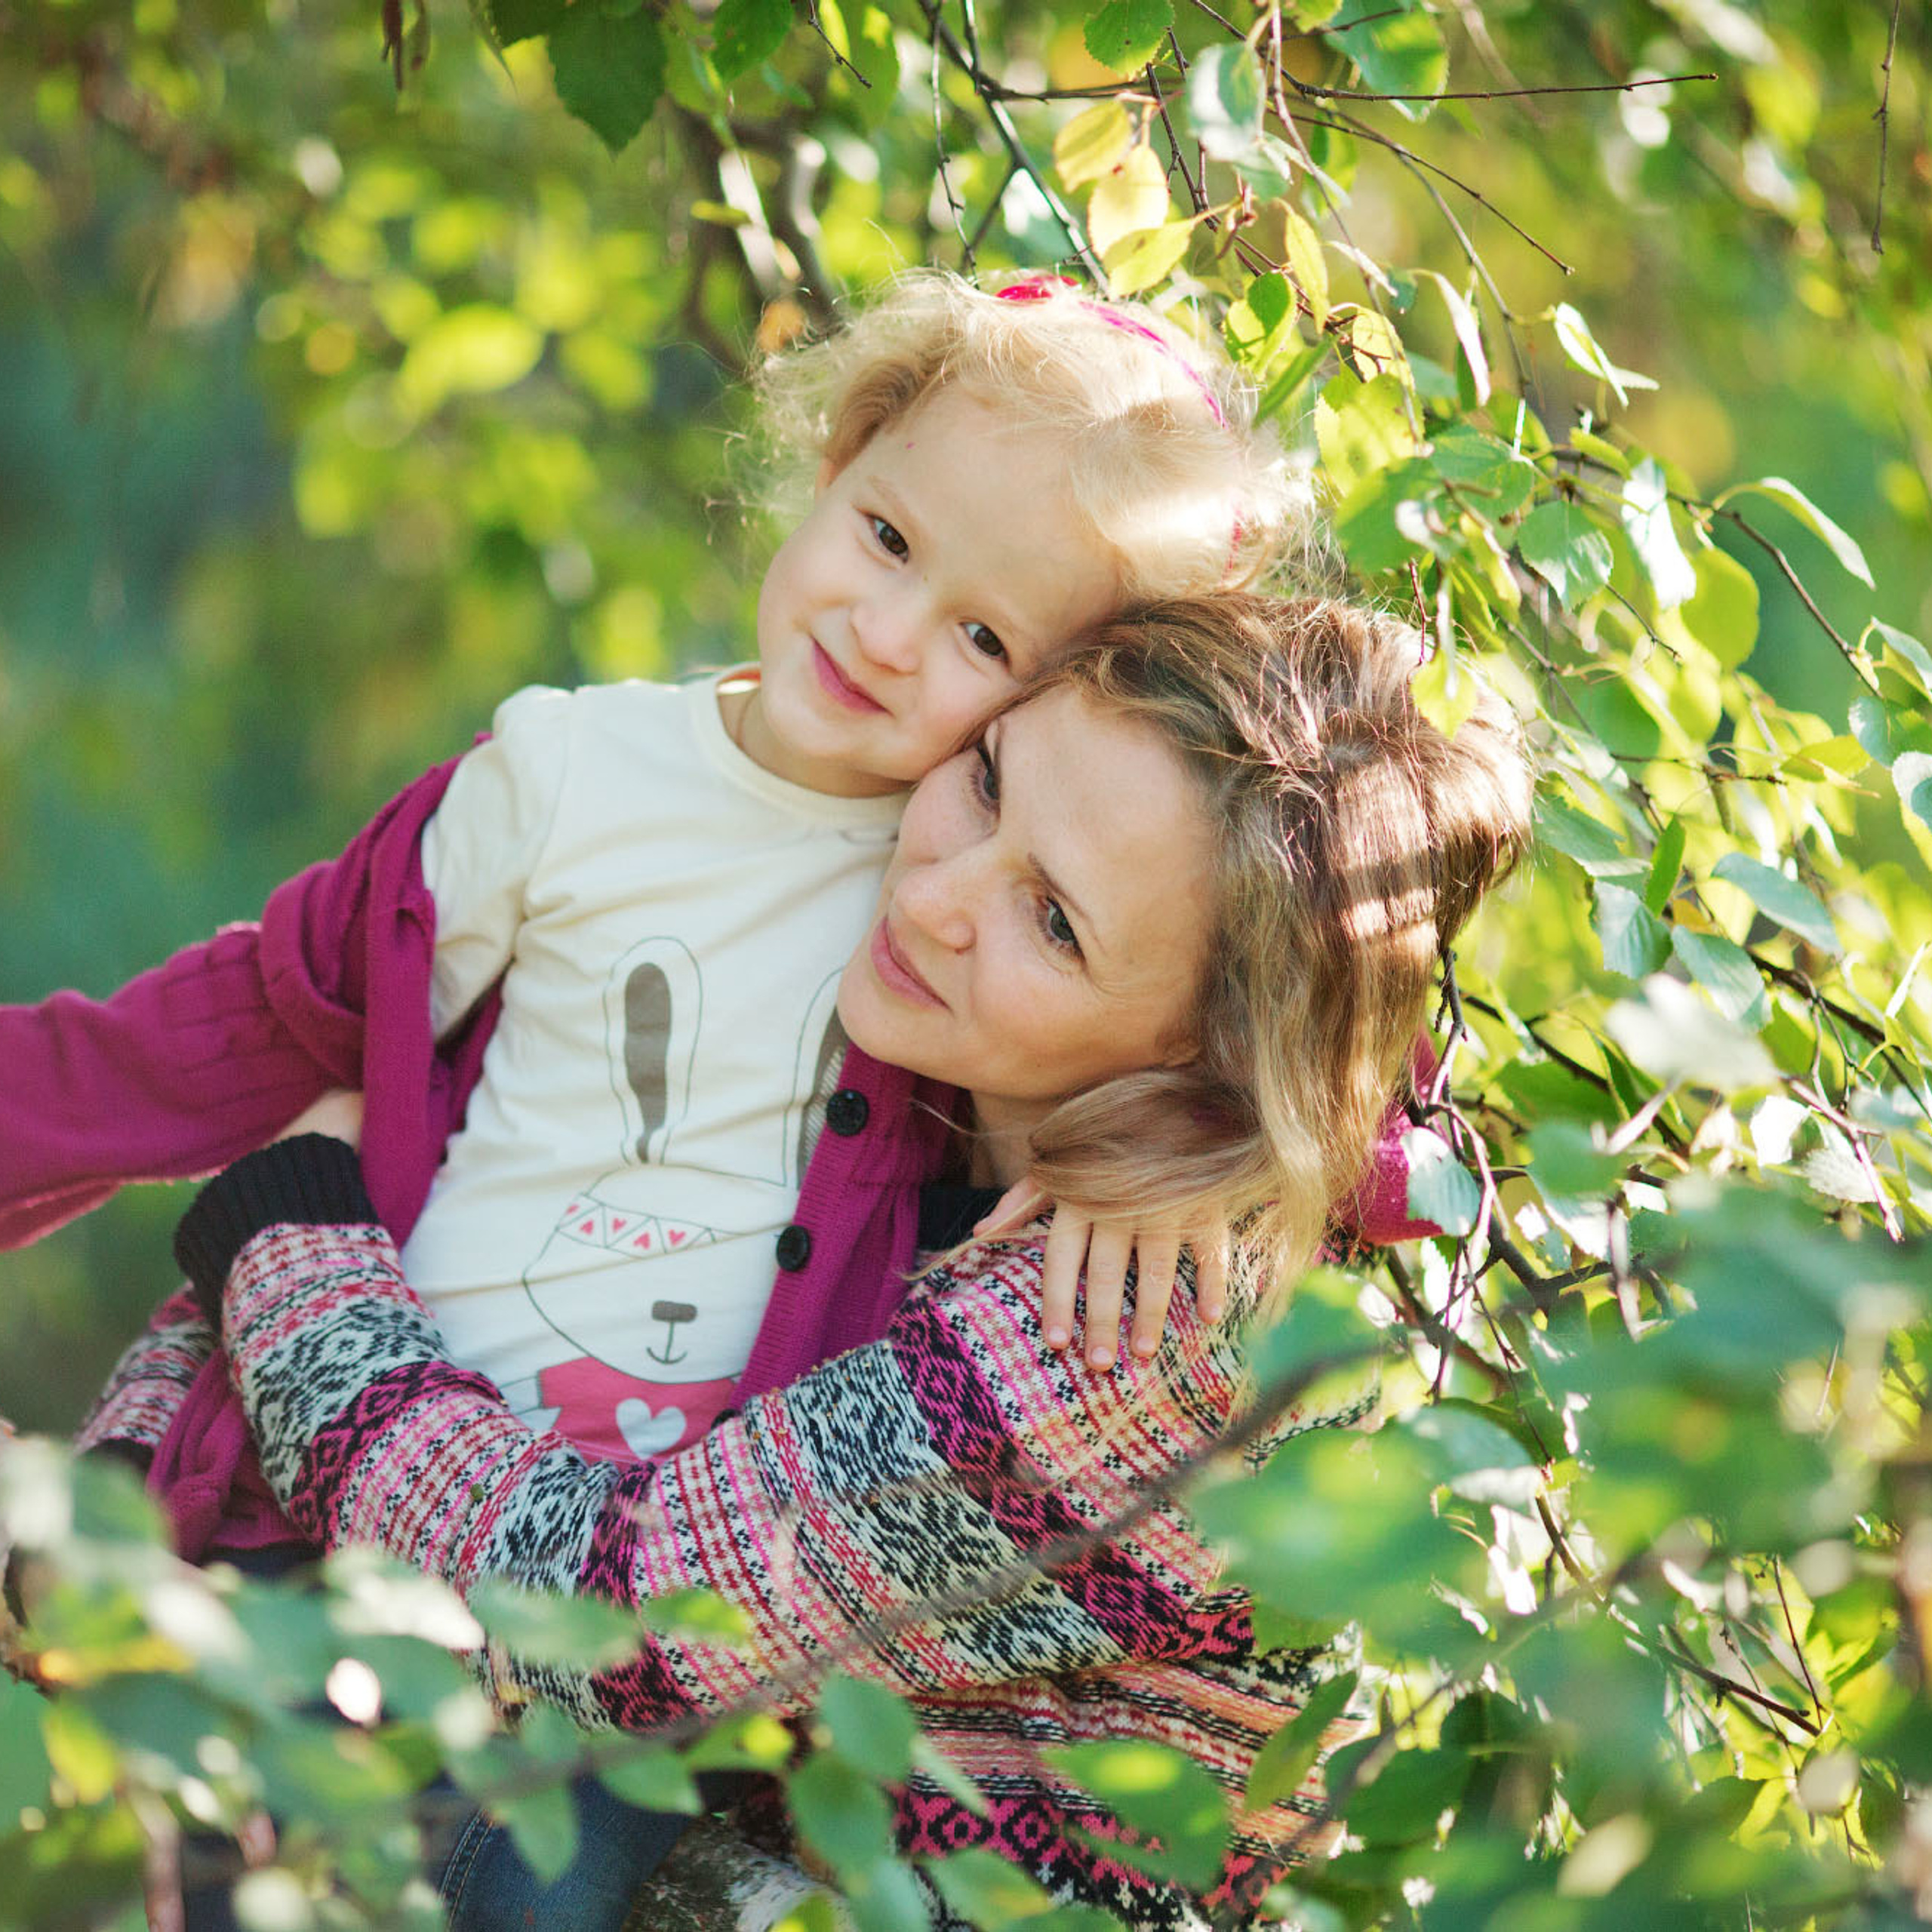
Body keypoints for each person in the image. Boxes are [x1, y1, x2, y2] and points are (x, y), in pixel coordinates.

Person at [167, 594, 1534, 1930]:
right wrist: (131, 1475)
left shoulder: (1143, 1331)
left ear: (1209, 1060)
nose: (939, 894)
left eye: (1056, 923)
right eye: (988, 782)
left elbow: (616, 1622)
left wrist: (287, 1249)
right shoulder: (923, 1033)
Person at [1, 271, 1318, 1574]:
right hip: (345, 1478)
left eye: (984, 637)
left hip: (637, 1606)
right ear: (843, 457)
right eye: (890, 539)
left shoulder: (967, 904)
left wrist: (1186, 1162)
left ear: (1075, 694)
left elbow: (1322, 1007)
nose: (887, 631)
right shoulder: (570, 773)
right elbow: (247, 1021)